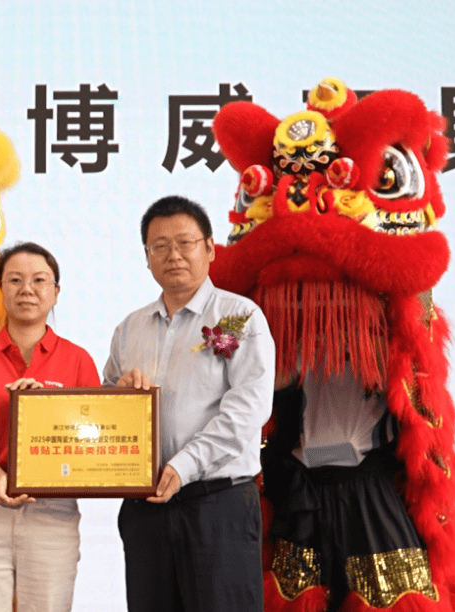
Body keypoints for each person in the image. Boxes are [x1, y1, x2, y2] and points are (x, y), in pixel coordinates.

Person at [103, 195, 275, 612]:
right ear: (147, 257)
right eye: (160, 246)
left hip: (217, 506)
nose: (174, 255)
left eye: (185, 243)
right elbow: (104, 404)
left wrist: (184, 466)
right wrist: (119, 395)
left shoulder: (239, 317)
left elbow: (248, 409)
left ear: (210, 248)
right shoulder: (129, 329)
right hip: (146, 510)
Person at [0, 242, 100, 612]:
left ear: (56, 291)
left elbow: (90, 439)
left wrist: (49, 410)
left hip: (51, 510)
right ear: (1, 289)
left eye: (39, 280)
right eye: (15, 280)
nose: (27, 289)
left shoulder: (77, 360)